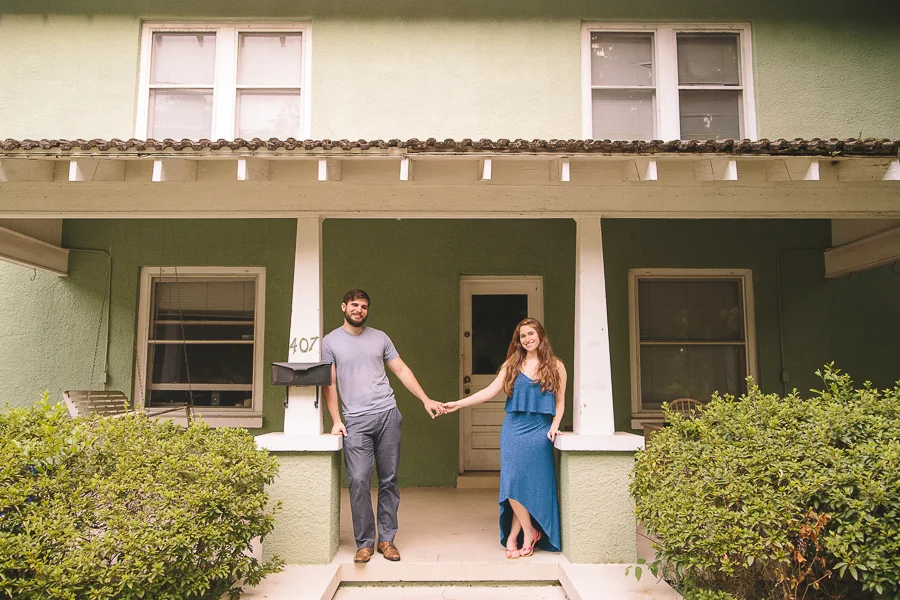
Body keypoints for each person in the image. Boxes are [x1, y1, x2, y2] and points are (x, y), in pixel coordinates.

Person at [321, 289, 445, 564]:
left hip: (387, 414)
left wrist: (425, 399)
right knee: (358, 480)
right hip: (355, 420)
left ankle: (386, 540)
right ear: (343, 307)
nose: (359, 310)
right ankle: (364, 543)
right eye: (354, 305)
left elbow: (401, 370)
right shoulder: (330, 342)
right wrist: (336, 420)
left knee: (389, 480)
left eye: (364, 306)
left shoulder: (380, 338)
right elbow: (329, 384)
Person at [442, 318, 565, 558]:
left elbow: (560, 402)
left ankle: (514, 536)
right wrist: (458, 404)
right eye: (522, 336)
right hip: (514, 429)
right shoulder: (513, 363)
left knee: (530, 485)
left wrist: (555, 426)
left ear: (540, 335)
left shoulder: (556, 366)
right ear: (518, 341)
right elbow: (489, 392)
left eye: (531, 334)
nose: (527, 339)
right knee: (511, 483)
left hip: (540, 430)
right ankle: (529, 532)